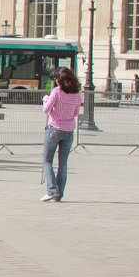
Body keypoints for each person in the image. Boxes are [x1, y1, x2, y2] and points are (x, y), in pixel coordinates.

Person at [41, 66, 82, 202]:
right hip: (68, 130)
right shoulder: (77, 94)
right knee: (63, 163)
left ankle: (52, 190)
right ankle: (60, 192)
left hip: (54, 128)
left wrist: (45, 99)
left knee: (47, 161)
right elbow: (75, 113)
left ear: (59, 80)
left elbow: (46, 109)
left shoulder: (56, 92)